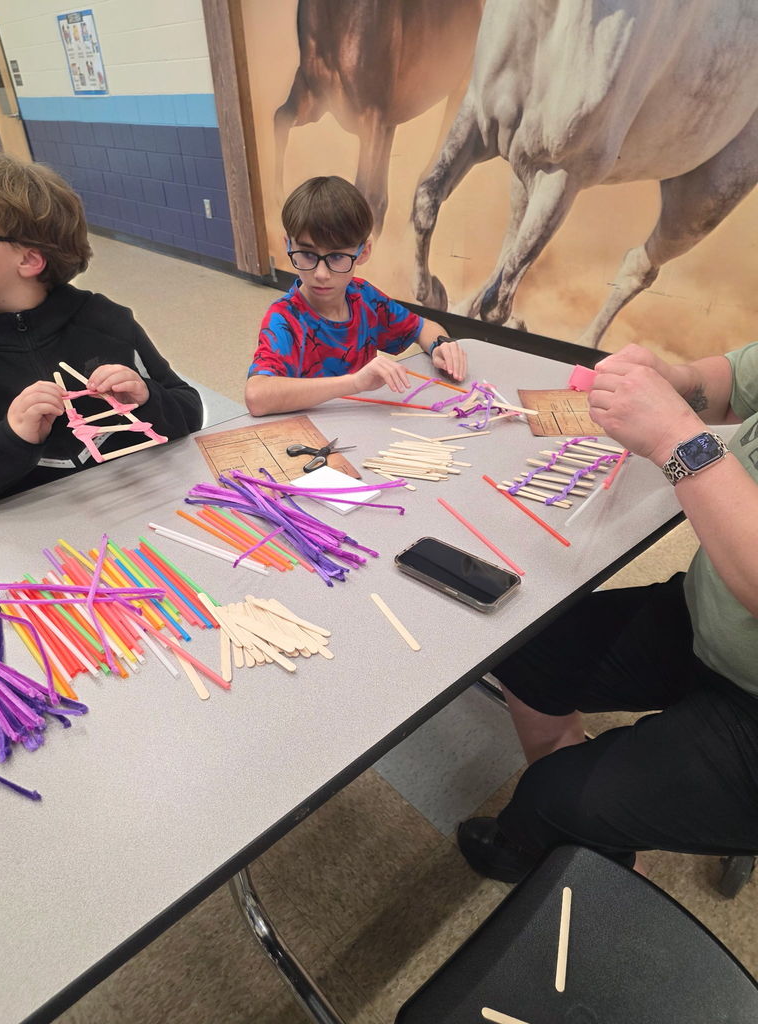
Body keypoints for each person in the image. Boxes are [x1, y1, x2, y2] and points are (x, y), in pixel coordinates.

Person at [457, 341, 758, 881]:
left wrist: (675, 437)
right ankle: (583, 837)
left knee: (551, 799)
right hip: (714, 614)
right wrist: (677, 377)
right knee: (530, 651)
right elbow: (735, 381)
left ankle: (545, 840)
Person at [0, 150, 203, 502]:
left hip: (146, 513)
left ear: (29, 259)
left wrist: (147, 397)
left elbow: (188, 413)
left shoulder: (107, 321)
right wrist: (12, 439)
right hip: (36, 543)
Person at [245, 175, 467, 416]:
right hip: (310, 434)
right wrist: (355, 382)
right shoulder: (284, 318)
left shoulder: (364, 297)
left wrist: (440, 346)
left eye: (337, 257)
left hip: (367, 425)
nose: (321, 274)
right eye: (308, 254)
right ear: (289, 245)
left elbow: (423, 327)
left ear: (364, 252)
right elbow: (257, 396)